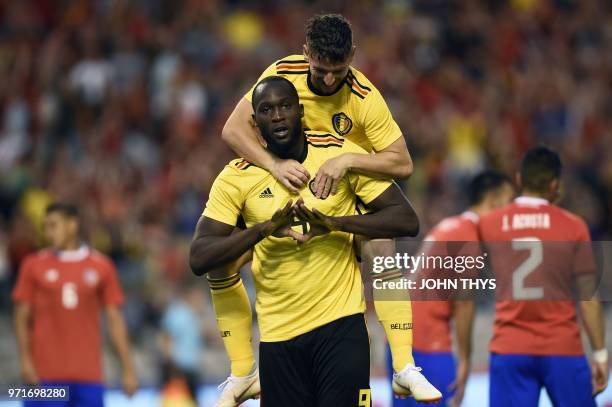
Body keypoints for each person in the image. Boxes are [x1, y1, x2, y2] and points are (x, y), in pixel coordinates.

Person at [211, 13, 434, 405]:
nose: (330, 80)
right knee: (222, 262)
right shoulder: (283, 72)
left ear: (352, 56)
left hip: (342, 187)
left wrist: (348, 160)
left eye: (339, 70)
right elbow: (233, 129)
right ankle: (243, 372)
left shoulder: (364, 96)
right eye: (321, 70)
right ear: (305, 54)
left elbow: (402, 163)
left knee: (381, 246)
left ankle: (403, 366)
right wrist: (275, 165)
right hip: (285, 177)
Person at [478, 146, 608, 406]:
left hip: (510, 347)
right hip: (562, 347)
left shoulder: (490, 224)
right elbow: (589, 299)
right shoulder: (574, 226)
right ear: (554, 185)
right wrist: (600, 354)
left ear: (518, 179)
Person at [388, 170, 513, 407]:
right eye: (508, 204)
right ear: (493, 201)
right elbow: (463, 302)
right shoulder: (469, 237)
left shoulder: (452, 227)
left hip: (402, 339)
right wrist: (465, 360)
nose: (511, 215)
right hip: (427, 343)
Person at [12, 202, 138, 407]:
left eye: (54, 225)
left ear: (72, 225)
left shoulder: (101, 266)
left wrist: (128, 369)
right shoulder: (32, 265)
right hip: (44, 379)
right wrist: (25, 361)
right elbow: (20, 316)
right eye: (46, 226)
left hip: (89, 378)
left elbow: (115, 320)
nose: (49, 232)